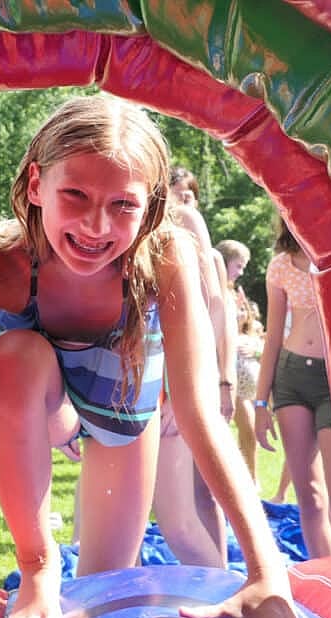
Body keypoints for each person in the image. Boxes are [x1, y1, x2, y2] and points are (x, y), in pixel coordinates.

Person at [0, 96, 329, 618]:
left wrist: (266, 574)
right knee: (18, 356)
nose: (97, 225)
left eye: (123, 205)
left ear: (151, 207)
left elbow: (198, 415)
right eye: (75, 194)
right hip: (35, 395)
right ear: (35, 185)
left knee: (106, 591)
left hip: (121, 399)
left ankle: (80, 487)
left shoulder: (166, 257)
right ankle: (40, 564)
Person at [147, 166, 238, 569]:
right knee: (152, 505)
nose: (185, 200)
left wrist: (210, 378)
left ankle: (220, 584)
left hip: (176, 370)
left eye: (190, 193)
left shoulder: (184, 222)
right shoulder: (132, 217)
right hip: (142, 372)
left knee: (188, 506)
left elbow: (214, 306)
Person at [253, 217, 331, 557]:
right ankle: (326, 570)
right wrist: (260, 403)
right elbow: (272, 338)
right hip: (291, 376)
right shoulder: (280, 266)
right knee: (308, 493)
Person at [215, 239, 262, 482]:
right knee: (220, 431)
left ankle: (250, 481)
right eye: (238, 266)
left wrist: (250, 336)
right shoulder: (213, 290)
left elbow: (250, 330)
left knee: (249, 431)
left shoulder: (235, 293)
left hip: (241, 375)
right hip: (219, 370)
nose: (241, 272)